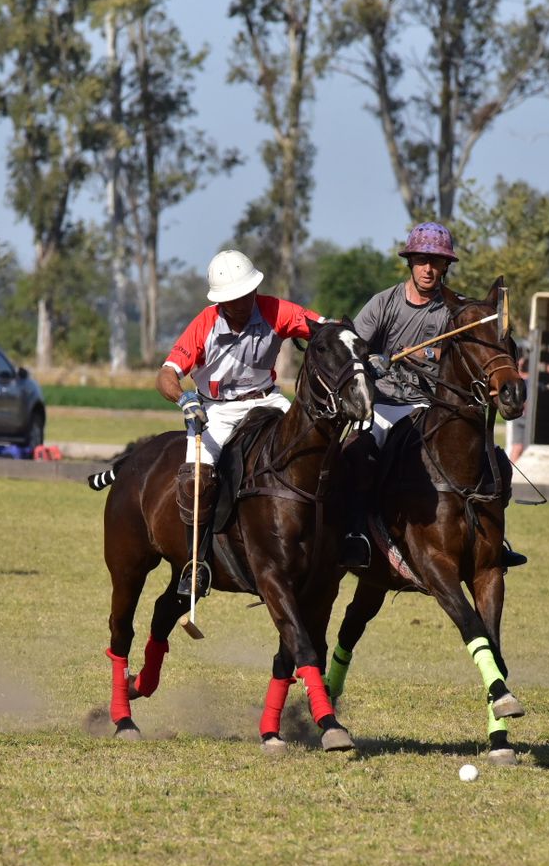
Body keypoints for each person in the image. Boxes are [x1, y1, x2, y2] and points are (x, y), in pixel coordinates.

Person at [344, 221, 526, 569]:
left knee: (497, 461)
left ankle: (493, 540)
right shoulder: (384, 303)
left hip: (433, 404)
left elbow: (469, 356)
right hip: (386, 404)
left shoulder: (456, 312)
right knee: (357, 453)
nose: (429, 269)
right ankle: (356, 534)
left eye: (436, 262)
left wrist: (427, 355)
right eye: (422, 260)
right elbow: (351, 346)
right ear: (410, 262)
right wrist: (371, 361)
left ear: (446, 266)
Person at [157, 249, 322, 596]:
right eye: (235, 298)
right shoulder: (204, 323)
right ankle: (196, 563)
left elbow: (322, 329)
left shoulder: (275, 310)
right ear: (221, 301)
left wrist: (354, 348)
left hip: (267, 399)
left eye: (248, 294)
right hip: (216, 410)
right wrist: (185, 399)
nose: (244, 303)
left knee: (319, 449)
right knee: (195, 479)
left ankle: (339, 539)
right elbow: (167, 375)